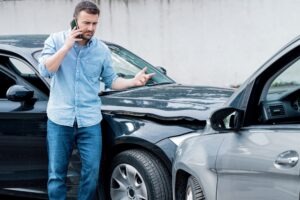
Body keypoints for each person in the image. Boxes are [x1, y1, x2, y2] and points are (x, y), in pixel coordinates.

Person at [38, 1, 154, 199]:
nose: (91, 28)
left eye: (94, 23)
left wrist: (133, 82)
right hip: (60, 120)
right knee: (56, 175)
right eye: (86, 23)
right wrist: (67, 46)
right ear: (75, 21)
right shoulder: (56, 40)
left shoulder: (101, 50)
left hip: (89, 121)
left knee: (91, 174)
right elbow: (46, 70)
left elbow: (112, 81)